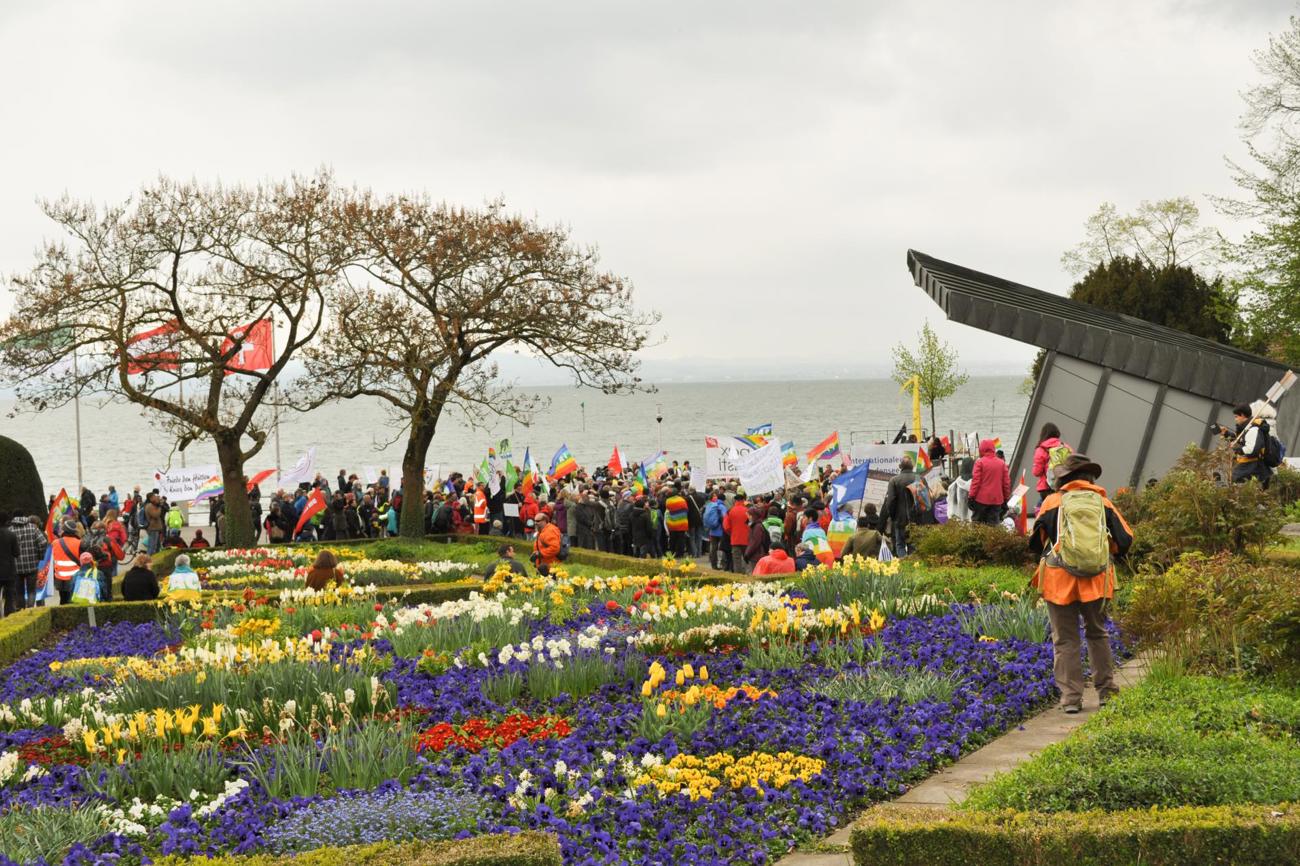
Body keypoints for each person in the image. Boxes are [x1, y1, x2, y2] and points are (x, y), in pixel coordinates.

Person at [1029, 454, 1133, 714]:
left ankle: (1071, 699)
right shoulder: (1103, 502)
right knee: (1098, 633)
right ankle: (1106, 691)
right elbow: (1126, 538)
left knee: (1064, 639)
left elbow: (1035, 542)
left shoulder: (1052, 502)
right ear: (1089, 478)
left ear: (1064, 478)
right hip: (1096, 580)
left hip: (1059, 580)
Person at [1220, 401, 1277, 489]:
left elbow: (1251, 450)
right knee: (1234, 480)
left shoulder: (1253, 429)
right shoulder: (1247, 428)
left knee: (1235, 481)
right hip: (1254, 467)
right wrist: (1226, 434)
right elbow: (1240, 440)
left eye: (1236, 417)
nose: (1235, 419)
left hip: (1252, 466)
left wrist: (1237, 449)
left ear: (1242, 415)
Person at [879, 457, 922, 557]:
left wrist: (893, 516)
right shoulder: (919, 478)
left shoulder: (894, 480)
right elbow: (926, 499)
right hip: (916, 519)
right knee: (914, 545)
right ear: (912, 466)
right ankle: (914, 566)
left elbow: (890, 501)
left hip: (900, 519)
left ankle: (904, 566)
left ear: (900, 467)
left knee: (900, 544)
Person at [969, 439, 1010, 525]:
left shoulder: (979, 462)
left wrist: (971, 497)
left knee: (977, 526)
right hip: (997, 500)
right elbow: (1006, 483)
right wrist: (1006, 498)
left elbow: (975, 482)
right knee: (993, 526)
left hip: (980, 500)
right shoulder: (1002, 463)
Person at [1031, 422, 1071, 510]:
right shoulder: (1066, 447)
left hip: (1046, 487)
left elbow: (1036, 472)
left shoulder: (1041, 449)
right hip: (1063, 485)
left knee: (1044, 510)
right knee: (1061, 510)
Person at [10, 515, 45, 610]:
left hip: (17, 566)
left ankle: (21, 611)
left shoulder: (10, 529)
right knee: (31, 591)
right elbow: (42, 542)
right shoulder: (33, 528)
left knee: (19, 592)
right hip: (32, 565)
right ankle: (30, 610)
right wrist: (40, 556)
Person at [722, 492, 750, 573]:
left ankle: (738, 577)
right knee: (746, 558)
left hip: (735, 539)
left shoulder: (730, 511)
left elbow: (726, 526)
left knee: (736, 559)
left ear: (735, 501)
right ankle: (747, 575)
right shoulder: (748, 510)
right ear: (743, 500)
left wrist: (731, 533)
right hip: (746, 539)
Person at [703, 492, 729, 571]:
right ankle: (723, 564)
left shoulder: (710, 505)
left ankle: (713, 565)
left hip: (712, 530)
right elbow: (725, 518)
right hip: (721, 531)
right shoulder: (721, 506)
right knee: (724, 548)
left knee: (713, 548)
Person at [0, 514, 19, 616]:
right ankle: (9, 616)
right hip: (9, 570)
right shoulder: (11, 535)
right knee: (10, 596)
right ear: (6, 521)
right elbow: (16, 553)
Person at [946, 457, 974, 523]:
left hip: (957, 523)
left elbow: (949, 505)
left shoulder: (952, 486)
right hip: (974, 523)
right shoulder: (976, 486)